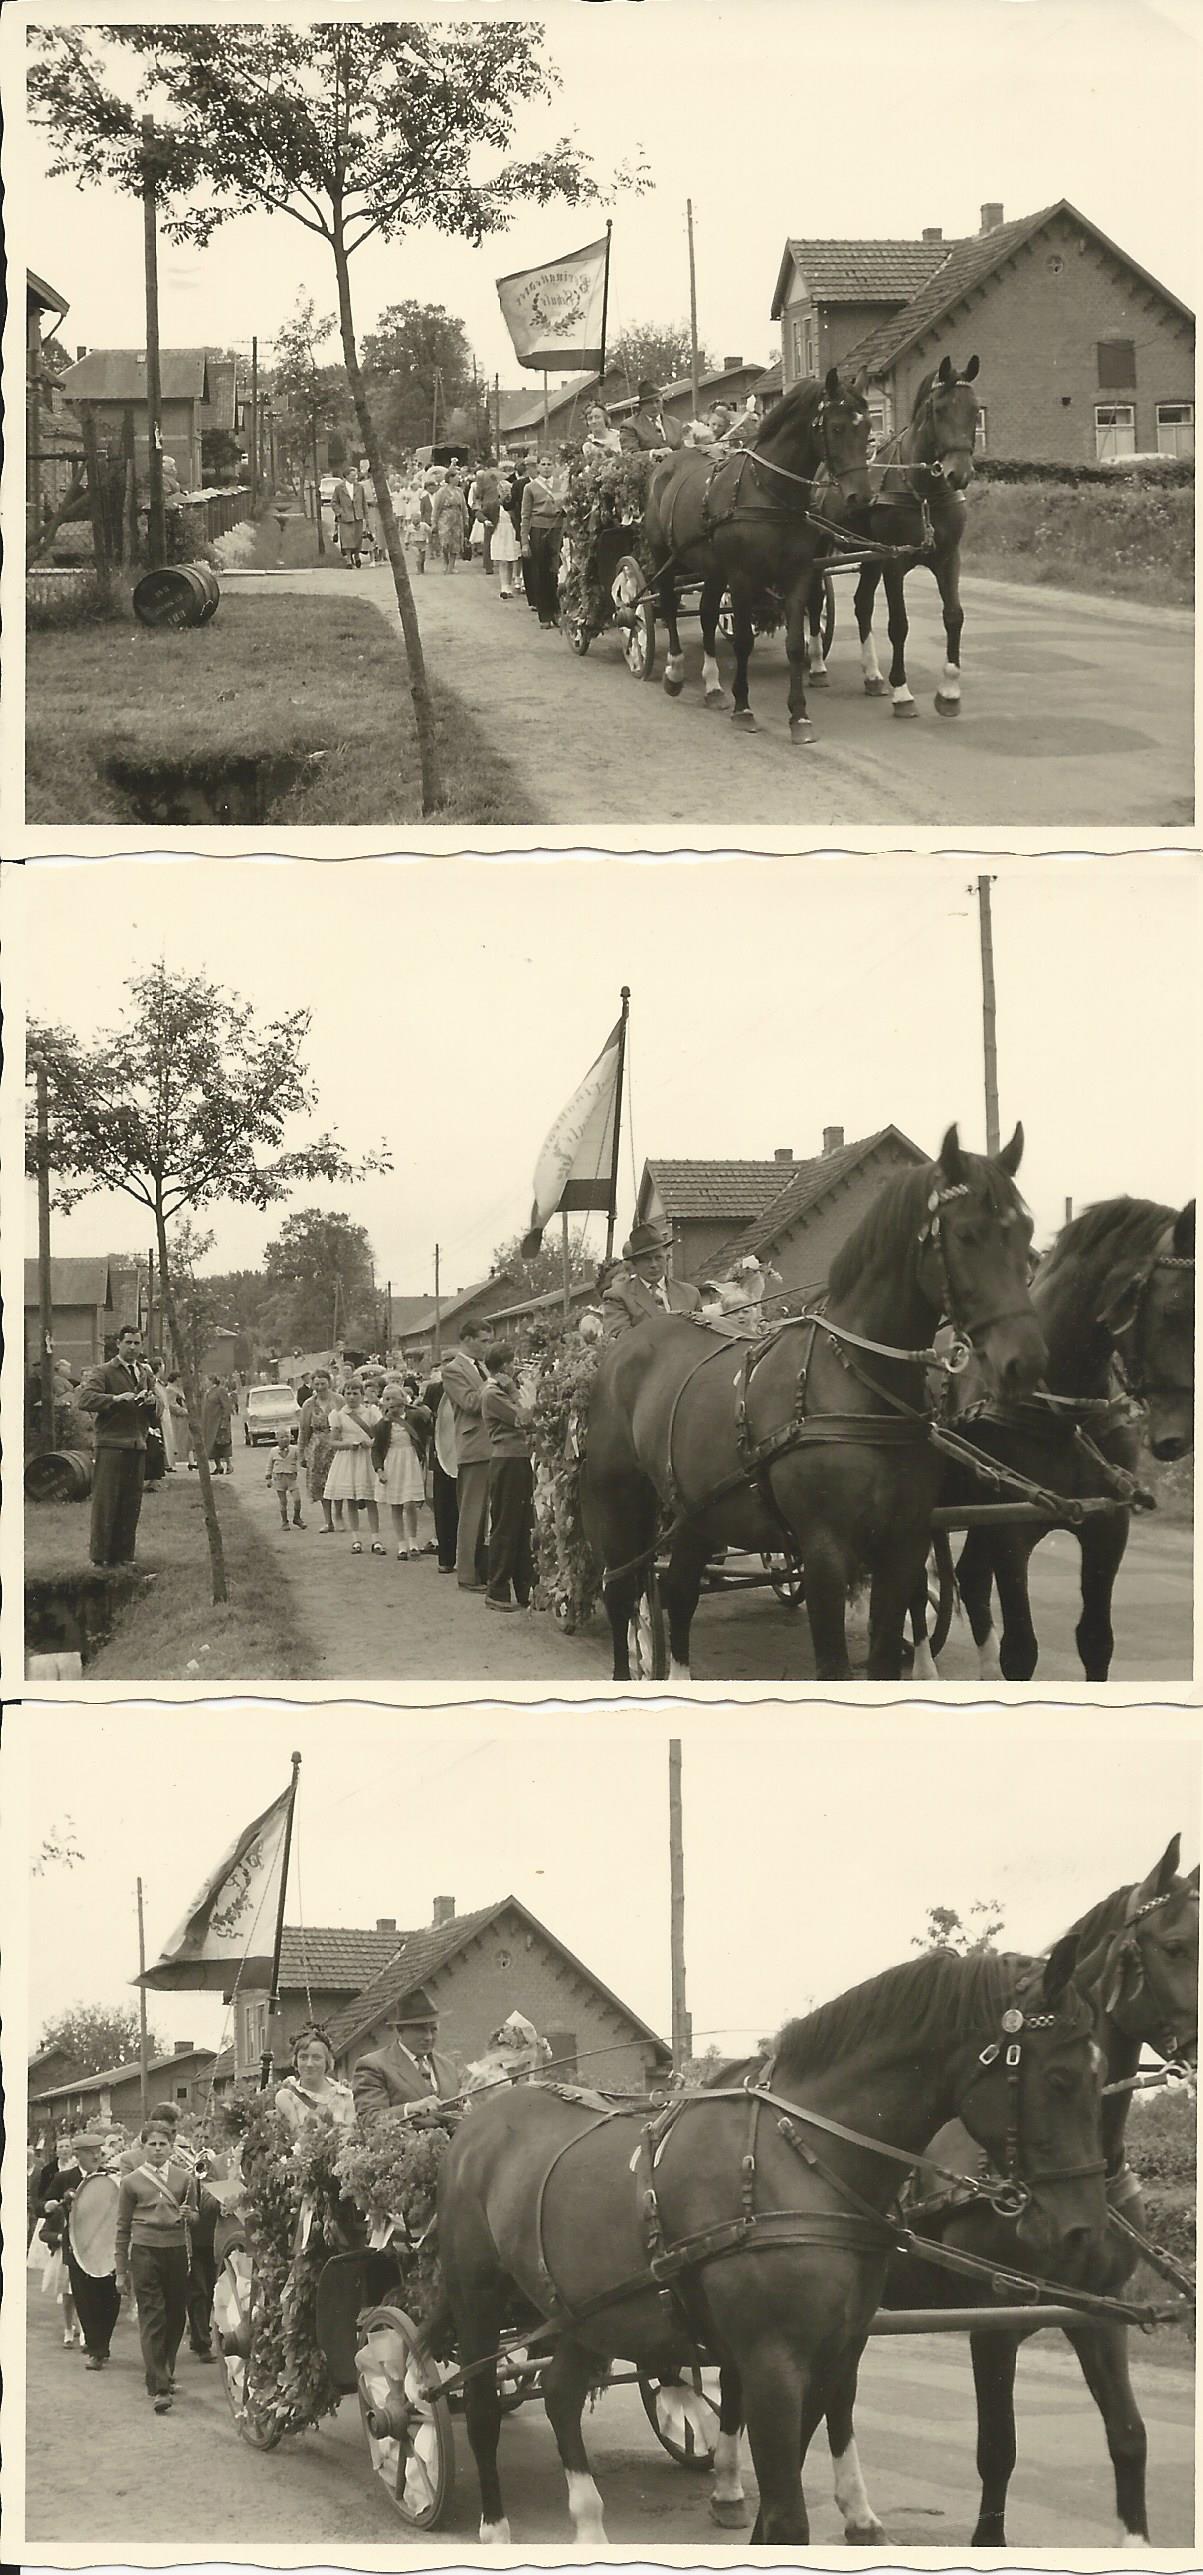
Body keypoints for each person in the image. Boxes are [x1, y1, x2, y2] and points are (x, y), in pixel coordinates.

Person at [114, 2117, 203, 2414]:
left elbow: (196, 2219)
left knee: (176, 2316)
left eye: (162, 2144)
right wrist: (120, 2270)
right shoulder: (131, 2182)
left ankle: (160, 2372)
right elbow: (122, 2227)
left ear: (171, 2147)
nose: (157, 2149)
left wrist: (191, 2215)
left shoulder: (185, 2179)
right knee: (153, 2317)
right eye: (151, 2144)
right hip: (144, 2251)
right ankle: (162, 2388)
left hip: (176, 2251)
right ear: (143, 2147)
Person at [37, 2124, 122, 2365]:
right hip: (77, 2247)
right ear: (78, 2155)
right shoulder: (65, 2178)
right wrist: (50, 2206)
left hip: (106, 2248)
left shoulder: (109, 2177)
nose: (96, 2155)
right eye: (89, 2151)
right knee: (84, 2300)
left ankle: (102, 2344)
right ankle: (95, 2350)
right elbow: (42, 2205)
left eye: (98, 2150)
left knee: (109, 2299)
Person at [78, 1323, 160, 1570]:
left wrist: (152, 1402)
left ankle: (124, 1555)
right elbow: (84, 1399)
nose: (133, 1348)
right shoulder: (103, 1372)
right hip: (111, 1445)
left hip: (137, 1444)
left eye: (137, 1343)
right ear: (118, 1344)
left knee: (131, 1502)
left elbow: (155, 1415)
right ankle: (101, 1558)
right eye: (128, 1343)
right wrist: (114, 1399)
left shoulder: (144, 1373)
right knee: (106, 1502)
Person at [351, 1991, 459, 2126]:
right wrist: (410, 2109)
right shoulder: (373, 2066)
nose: (428, 2037)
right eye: (421, 2030)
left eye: (433, 2030)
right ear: (400, 2029)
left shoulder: (448, 2067)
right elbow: (368, 2119)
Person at [481, 1342, 534, 1612]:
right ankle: (497, 1590)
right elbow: (524, 1419)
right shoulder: (492, 1394)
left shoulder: (500, 1391)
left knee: (524, 1524)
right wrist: (517, 1391)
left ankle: (526, 1589)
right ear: (503, 1367)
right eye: (512, 1362)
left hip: (518, 1460)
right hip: (507, 1461)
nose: (516, 1367)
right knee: (506, 1525)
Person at [441, 1323, 492, 1590]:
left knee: (486, 1514)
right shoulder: (453, 1370)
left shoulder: (481, 1368)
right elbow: (470, 1403)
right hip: (473, 1446)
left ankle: (483, 1570)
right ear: (467, 1339)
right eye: (482, 1341)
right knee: (472, 1512)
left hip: (492, 1445)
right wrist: (494, 1383)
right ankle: (467, 1575)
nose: (486, 1346)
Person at [600, 1224, 704, 1333]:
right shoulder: (618, 1296)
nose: (653, 1264)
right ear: (635, 1263)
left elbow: (703, 1336)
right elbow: (623, 1340)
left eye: (658, 1257)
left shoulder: (691, 1294)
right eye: (646, 1259)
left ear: (667, 1258)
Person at [370, 1379, 431, 1560]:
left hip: (410, 1462)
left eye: (394, 1398)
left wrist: (415, 1407)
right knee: (395, 1505)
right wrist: (379, 1469)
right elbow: (376, 1450)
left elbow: (428, 1423)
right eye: (386, 1399)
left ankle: (413, 1541)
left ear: (403, 1400)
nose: (390, 1403)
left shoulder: (414, 1418)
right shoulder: (382, 1425)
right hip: (392, 1464)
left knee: (410, 1503)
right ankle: (401, 1544)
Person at [324, 1379, 384, 1553]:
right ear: (343, 1395)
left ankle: (376, 1539)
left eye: (355, 1393)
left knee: (371, 1499)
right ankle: (356, 1539)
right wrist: (349, 1445)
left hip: (367, 1459)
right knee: (351, 1499)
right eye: (348, 1393)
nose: (351, 1397)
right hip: (348, 1460)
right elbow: (333, 1442)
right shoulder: (338, 1415)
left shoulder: (371, 1413)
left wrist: (370, 1443)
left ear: (362, 1395)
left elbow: (380, 1437)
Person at [274, 2024, 356, 2139]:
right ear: (296, 2062)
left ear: (327, 2062)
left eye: (316, 2058)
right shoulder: (287, 2096)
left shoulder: (345, 2096)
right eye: (303, 2057)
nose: (309, 2064)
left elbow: (352, 2135)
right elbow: (295, 2134)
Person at [422, 1362, 459, 1572]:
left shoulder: (468, 1386)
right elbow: (427, 1423)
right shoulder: (434, 1390)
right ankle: (445, 1558)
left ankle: (468, 1559)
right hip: (441, 1454)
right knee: (443, 1507)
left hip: (465, 1454)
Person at [520, 456, 566, 628]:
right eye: (543, 464)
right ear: (537, 467)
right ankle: (544, 615)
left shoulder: (560, 484)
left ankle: (556, 611)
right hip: (538, 529)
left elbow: (565, 508)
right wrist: (525, 541)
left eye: (549, 464)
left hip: (557, 528)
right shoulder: (530, 487)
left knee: (556, 570)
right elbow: (525, 516)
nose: (546, 468)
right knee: (540, 571)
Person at [298, 1368, 337, 1532]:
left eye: (323, 1383)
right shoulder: (309, 1404)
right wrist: (302, 1453)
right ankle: (329, 1521)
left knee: (339, 1481)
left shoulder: (338, 1400)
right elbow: (304, 1429)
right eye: (317, 1384)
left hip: (337, 1443)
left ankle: (340, 1515)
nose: (320, 1387)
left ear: (329, 1382)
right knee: (322, 1485)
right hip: (317, 1447)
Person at [627, 380, 686, 455]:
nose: (654, 406)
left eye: (657, 401)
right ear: (641, 405)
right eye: (649, 403)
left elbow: (683, 450)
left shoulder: (675, 423)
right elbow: (629, 455)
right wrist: (653, 453)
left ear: (662, 400)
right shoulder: (630, 426)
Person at [490, 466, 522, 598]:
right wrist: (486, 521)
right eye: (503, 491)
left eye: (508, 491)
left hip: (512, 533)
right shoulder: (494, 504)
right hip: (499, 533)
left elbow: (519, 517)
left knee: (513, 559)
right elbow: (481, 512)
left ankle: (516, 581)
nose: (505, 493)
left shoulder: (514, 505)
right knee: (503, 561)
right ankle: (504, 587)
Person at [266, 1431, 304, 1530]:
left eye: (287, 1436)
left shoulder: (294, 1449)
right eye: (282, 1437)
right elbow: (269, 1465)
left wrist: (304, 1463)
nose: (285, 1439)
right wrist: (268, 1478)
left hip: (291, 1478)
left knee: (297, 1499)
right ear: (277, 1439)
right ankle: (284, 1522)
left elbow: (301, 1459)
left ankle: (297, 1518)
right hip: (279, 1478)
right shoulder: (273, 1451)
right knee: (283, 1502)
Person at [432, 469, 467, 573]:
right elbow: (437, 507)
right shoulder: (442, 491)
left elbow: (464, 506)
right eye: (456, 476)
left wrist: (466, 518)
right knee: (445, 542)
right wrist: (434, 521)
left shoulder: (459, 491)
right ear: (450, 478)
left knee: (455, 542)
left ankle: (451, 566)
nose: (458, 479)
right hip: (445, 519)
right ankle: (445, 563)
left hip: (457, 518)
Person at [202, 1374, 234, 1474]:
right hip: (210, 1424)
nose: (204, 1382)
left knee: (223, 1444)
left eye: (206, 1380)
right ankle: (218, 1466)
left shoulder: (220, 1390)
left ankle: (229, 1465)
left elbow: (226, 1406)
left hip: (219, 1422)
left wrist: (224, 1421)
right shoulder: (207, 1392)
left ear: (212, 1381)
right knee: (213, 1445)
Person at [332, 468, 364, 567]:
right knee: (347, 539)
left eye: (356, 475)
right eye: (352, 475)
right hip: (345, 518)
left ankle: (357, 556)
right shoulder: (339, 488)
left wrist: (366, 516)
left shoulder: (360, 487)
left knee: (357, 538)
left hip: (357, 516)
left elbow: (364, 502)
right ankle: (349, 560)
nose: (355, 477)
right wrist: (340, 512)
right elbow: (334, 502)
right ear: (346, 476)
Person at [581, 401, 621, 467]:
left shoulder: (619, 435)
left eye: (597, 417)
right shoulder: (588, 446)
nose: (594, 421)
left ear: (605, 419)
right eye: (590, 419)